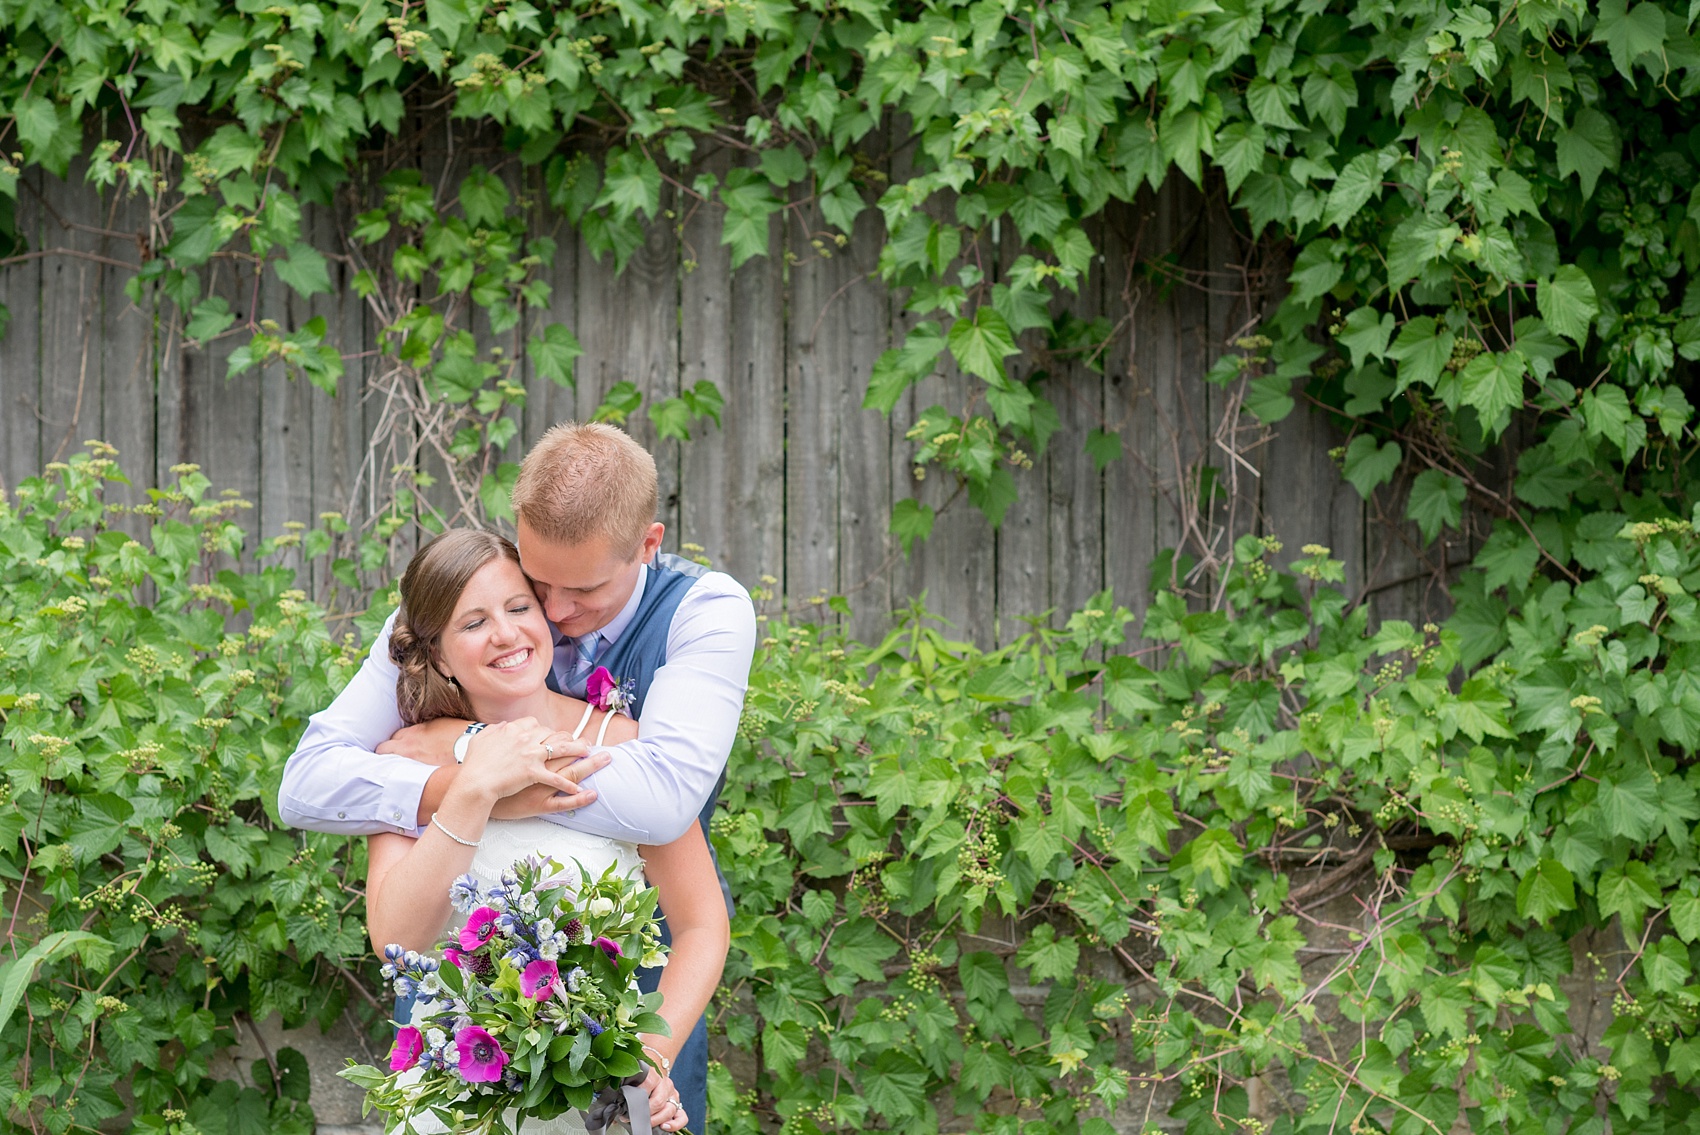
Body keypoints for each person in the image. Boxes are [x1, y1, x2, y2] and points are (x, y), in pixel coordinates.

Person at [280, 422, 757, 1132]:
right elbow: (310, 783)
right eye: (540, 585)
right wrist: (466, 783)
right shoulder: (440, 636)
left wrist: (478, 754)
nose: (553, 615)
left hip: (628, 1045)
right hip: (457, 1064)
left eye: (579, 589)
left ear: (648, 545)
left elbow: (665, 809)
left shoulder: (700, 619)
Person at [366, 528, 728, 1134]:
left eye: (518, 608)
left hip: (598, 1098)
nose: (506, 634)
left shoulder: (630, 747)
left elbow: (700, 924)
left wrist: (649, 1059)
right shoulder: (404, 758)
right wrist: (473, 787)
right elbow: (397, 939)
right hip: (457, 1097)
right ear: (437, 654)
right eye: (472, 622)